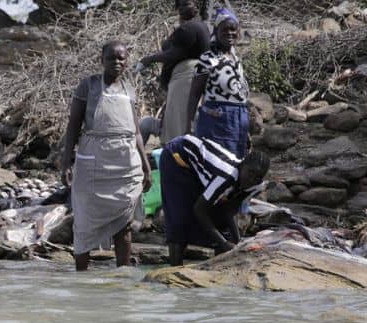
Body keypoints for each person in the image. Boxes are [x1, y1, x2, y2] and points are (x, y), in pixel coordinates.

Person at [58, 41, 153, 271]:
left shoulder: (129, 90)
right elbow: (73, 126)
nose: (117, 62)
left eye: (121, 58)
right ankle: (81, 277)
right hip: (94, 162)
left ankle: (123, 279)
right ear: (101, 60)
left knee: (125, 224)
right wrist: (66, 162)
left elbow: (136, 131)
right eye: (111, 58)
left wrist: (146, 166)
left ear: (127, 61)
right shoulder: (88, 86)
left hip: (125, 163)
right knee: (84, 223)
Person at [158, 134, 270, 266]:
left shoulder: (255, 185)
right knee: (180, 216)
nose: (252, 180)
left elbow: (229, 210)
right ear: (243, 164)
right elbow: (199, 209)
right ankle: (175, 268)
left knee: (220, 221)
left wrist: (238, 241)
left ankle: (219, 267)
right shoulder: (226, 176)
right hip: (177, 156)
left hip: (199, 165)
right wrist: (223, 243)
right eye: (250, 173)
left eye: (257, 177)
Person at [136, 0, 210, 143]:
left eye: (186, 4)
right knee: (176, 123)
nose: (181, 8)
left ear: (197, 6)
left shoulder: (190, 27)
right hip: (182, 81)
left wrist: (148, 59)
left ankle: (178, 157)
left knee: (179, 126)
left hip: (186, 80)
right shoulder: (195, 26)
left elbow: (173, 54)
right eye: (180, 5)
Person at [189, 8, 250, 159]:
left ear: (238, 32)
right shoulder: (207, 59)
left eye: (233, 29)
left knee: (236, 167)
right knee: (216, 166)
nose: (229, 33)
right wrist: (188, 126)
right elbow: (194, 94)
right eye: (224, 29)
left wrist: (246, 130)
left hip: (238, 123)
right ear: (216, 32)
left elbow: (239, 97)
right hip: (216, 123)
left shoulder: (236, 59)